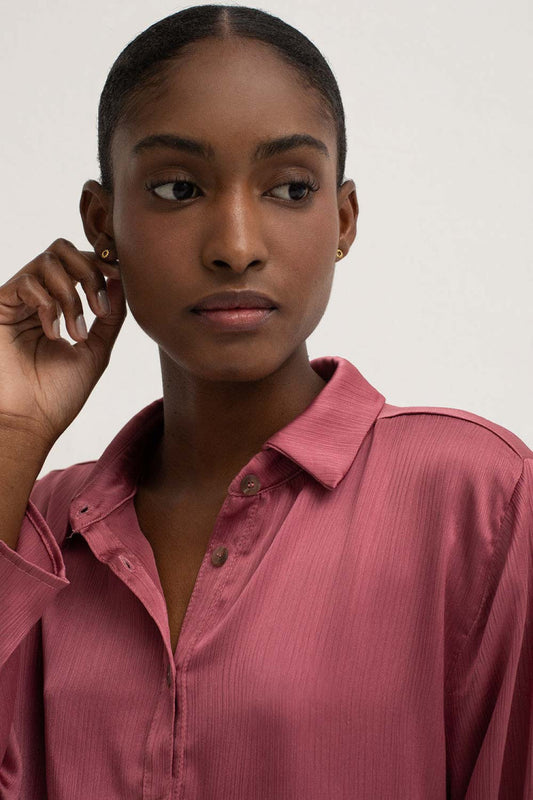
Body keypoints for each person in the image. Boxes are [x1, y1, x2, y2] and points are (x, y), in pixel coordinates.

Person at [0, 5, 531, 798]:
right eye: (179, 188)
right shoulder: (44, 523)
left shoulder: (479, 497)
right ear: (103, 222)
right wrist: (10, 433)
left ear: (342, 220)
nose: (236, 243)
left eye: (289, 187)